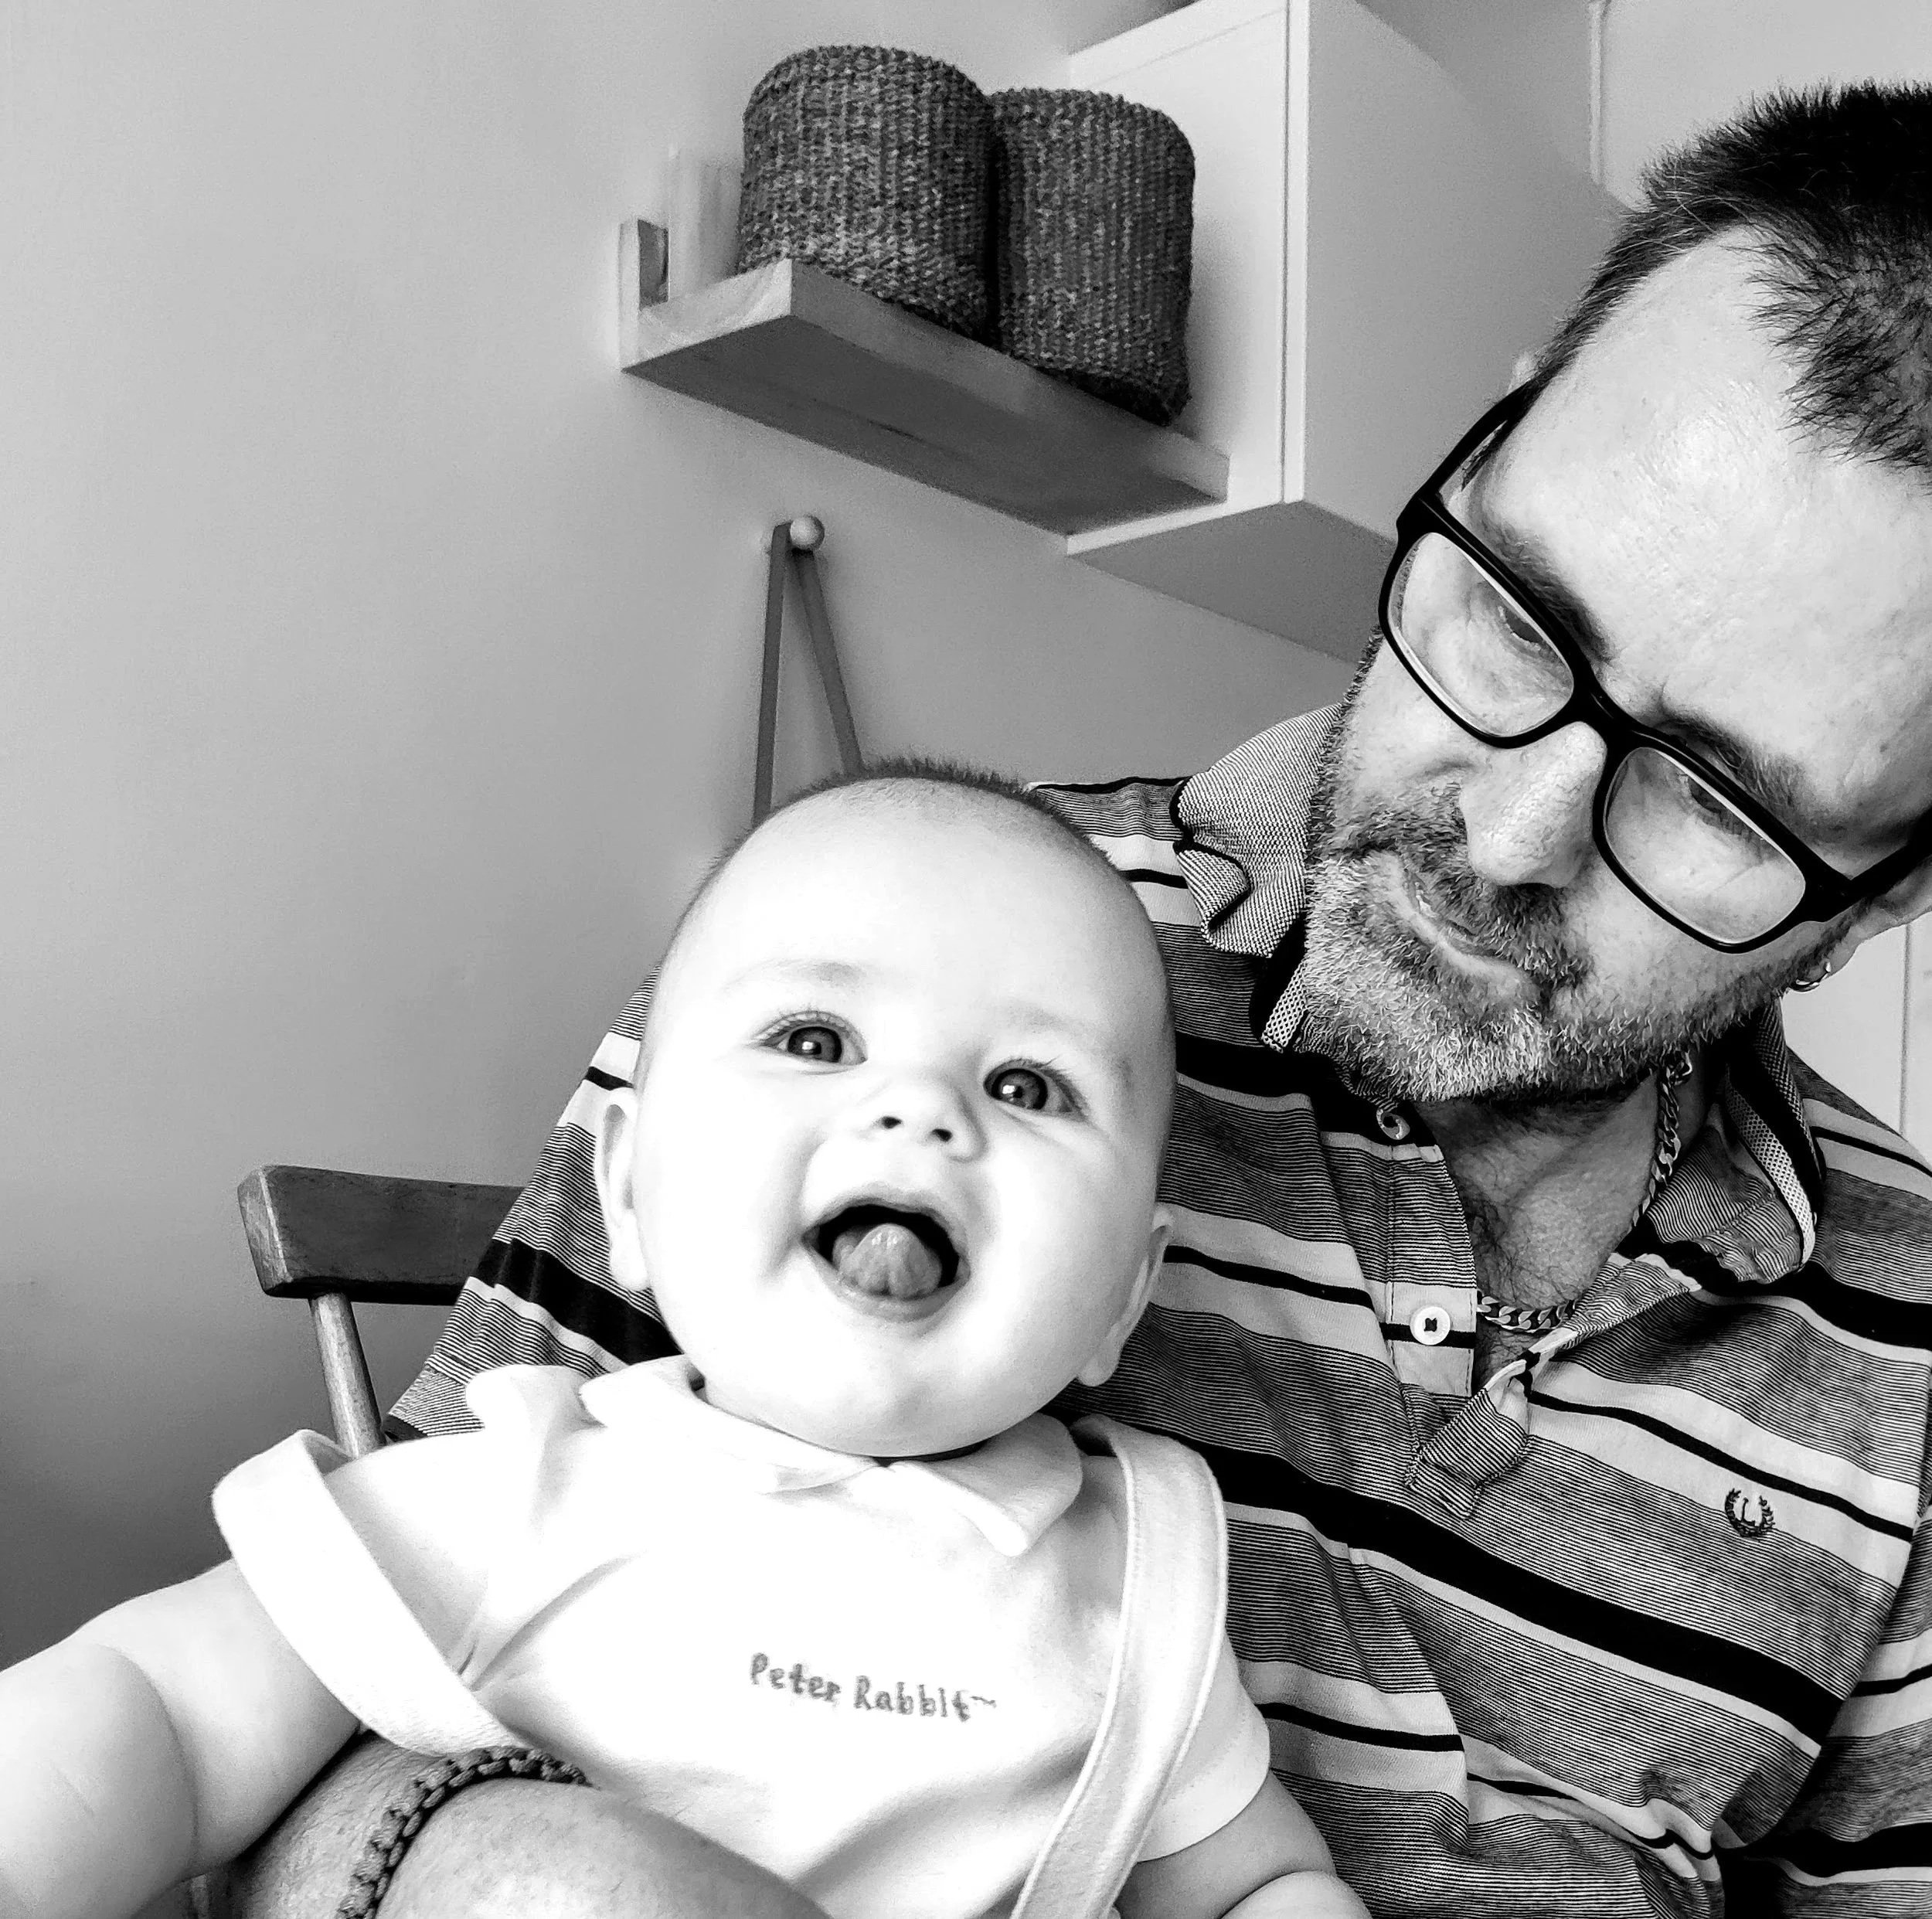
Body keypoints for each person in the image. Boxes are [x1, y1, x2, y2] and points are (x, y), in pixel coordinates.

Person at [209, 80, 1932, 1919]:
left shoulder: (1902, 1346)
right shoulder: (876, 974)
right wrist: (532, 1871)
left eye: (1713, 801)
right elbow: (303, 1739)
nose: (1508, 836)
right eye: (1515, 619)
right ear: (1492, 432)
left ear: (1894, 890)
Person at [0, 770, 1370, 1919]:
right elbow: (164, 1714)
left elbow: (1257, 1886)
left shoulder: (1142, 1587)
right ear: (625, 1193)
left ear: (1123, 1295)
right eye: (815, 1037)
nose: (919, 1108)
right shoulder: (521, 1493)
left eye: (1028, 1083)